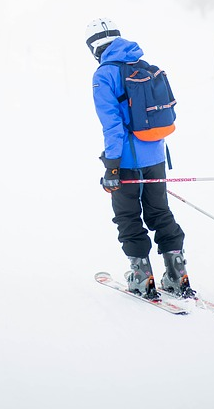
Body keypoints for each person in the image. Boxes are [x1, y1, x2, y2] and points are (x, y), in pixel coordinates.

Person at [86, 17, 194, 299]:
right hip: (156, 155)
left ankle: (141, 277)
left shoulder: (103, 75)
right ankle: (177, 274)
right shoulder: (143, 66)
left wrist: (112, 167)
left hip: (126, 161)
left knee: (128, 216)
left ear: (94, 47)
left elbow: (112, 126)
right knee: (159, 212)